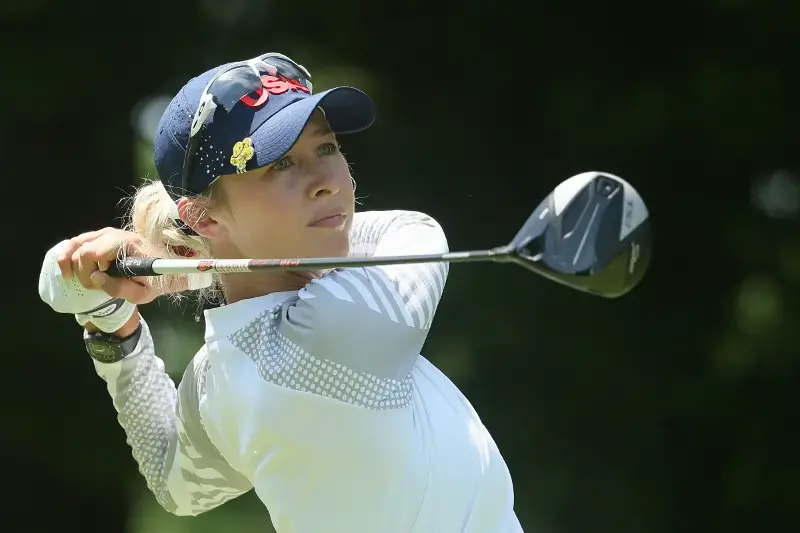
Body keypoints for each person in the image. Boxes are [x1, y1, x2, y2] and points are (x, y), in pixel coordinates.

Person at [38, 52, 523, 533]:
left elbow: (175, 483)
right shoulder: (335, 328)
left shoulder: (218, 376)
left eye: (327, 147)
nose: (326, 182)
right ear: (203, 217)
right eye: (281, 162)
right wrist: (185, 272)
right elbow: (415, 229)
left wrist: (114, 326)